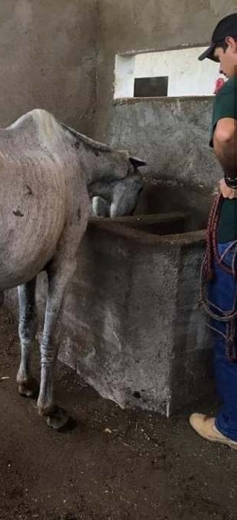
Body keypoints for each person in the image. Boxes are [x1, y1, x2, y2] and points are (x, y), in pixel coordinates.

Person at [190, 13, 237, 449]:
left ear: (231, 44)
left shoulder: (233, 91)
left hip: (235, 237)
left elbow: (226, 134)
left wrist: (233, 180)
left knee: (228, 329)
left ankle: (231, 427)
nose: (218, 66)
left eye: (218, 56)